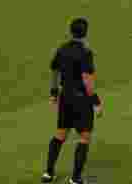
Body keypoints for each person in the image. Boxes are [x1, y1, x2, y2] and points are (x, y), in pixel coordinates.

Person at [42, 18, 102, 184]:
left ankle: (48, 173)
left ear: (71, 31)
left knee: (60, 134)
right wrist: (95, 101)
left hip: (65, 97)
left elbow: (54, 70)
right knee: (84, 137)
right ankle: (75, 178)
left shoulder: (61, 49)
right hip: (81, 100)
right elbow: (87, 79)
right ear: (86, 32)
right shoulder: (86, 52)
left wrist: (54, 92)